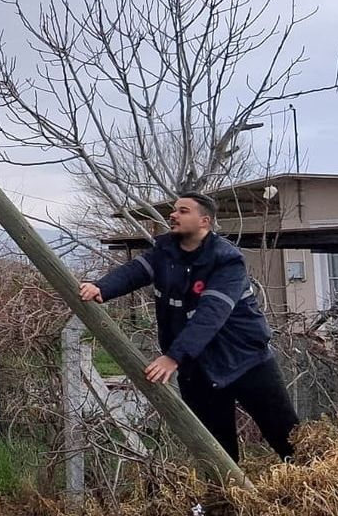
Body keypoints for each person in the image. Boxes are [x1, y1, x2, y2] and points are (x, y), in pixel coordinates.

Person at [78, 191, 299, 462]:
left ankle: (314, 493)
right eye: (174, 210)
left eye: (183, 211)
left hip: (246, 362)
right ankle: (225, 501)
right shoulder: (164, 251)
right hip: (199, 371)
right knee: (216, 454)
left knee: (289, 440)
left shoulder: (227, 260)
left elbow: (211, 314)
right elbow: (134, 272)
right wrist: (101, 288)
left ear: (204, 221)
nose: (173, 214)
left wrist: (173, 357)